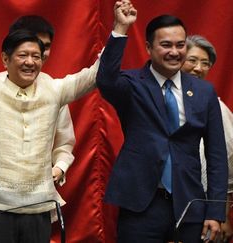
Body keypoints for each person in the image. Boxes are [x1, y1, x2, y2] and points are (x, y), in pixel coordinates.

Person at [0, 1, 103, 241]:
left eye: (37, 55)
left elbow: (94, 76)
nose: (31, 61)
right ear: (5, 58)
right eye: (23, 55)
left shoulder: (54, 90)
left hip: (38, 205)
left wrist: (119, 31)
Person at [96, 1, 228, 242]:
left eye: (180, 45)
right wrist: (120, 29)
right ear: (149, 47)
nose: (175, 52)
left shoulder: (203, 92)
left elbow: (217, 155)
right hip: (141, 204)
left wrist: (216, 211)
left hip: (190, 202)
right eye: (166, 45)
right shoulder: (132, 84)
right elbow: (105, 80)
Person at [0, 15, 75, 185]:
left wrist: (59, 167)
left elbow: (64, 143)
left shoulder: (55, 89)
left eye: (45, 47)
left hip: (38, 191)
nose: (39, 53)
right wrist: (0, 161)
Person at [181, 35, 233, 242]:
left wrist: (222, 213)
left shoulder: (217, 108)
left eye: (205, 64)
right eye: (192, 60)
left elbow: (227, 164)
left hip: (203, 204)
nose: (198, 68)